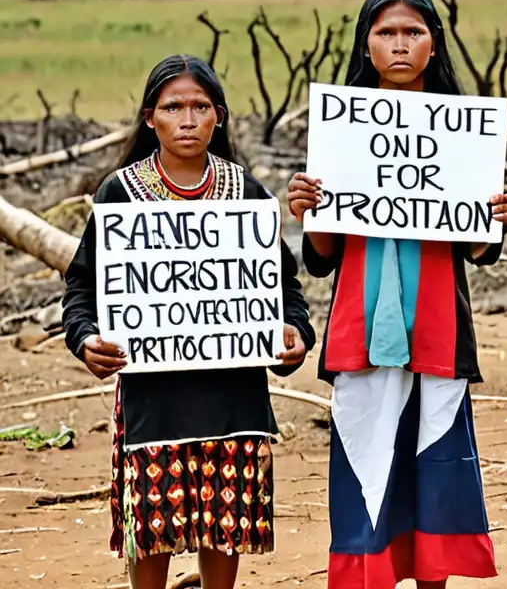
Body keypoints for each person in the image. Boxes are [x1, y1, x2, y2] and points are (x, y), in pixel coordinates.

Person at [286, 0, 507, 589]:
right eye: (385, 32)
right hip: (361, 331)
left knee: (434, 468)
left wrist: (494, 217)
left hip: (438, 333)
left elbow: (478, 249)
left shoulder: (464, 138)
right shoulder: (339, 134)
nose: (399, 44)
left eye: (412, 32)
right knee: (368, 463)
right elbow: (321, 260)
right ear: (365, 44)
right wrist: (310, 212)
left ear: (434, 46)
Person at [61, 55, 316, 589]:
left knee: (224, 530)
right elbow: (83, 286)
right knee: (153, 530)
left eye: (200, 106)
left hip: (233, 402)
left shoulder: (245, 192)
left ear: (218, 117)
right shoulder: (120, 194)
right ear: (150, 117)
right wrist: (85, 340)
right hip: (155, 406)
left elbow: (283, 287)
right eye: (173, 106)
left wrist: (295, 334)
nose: (187, 118)